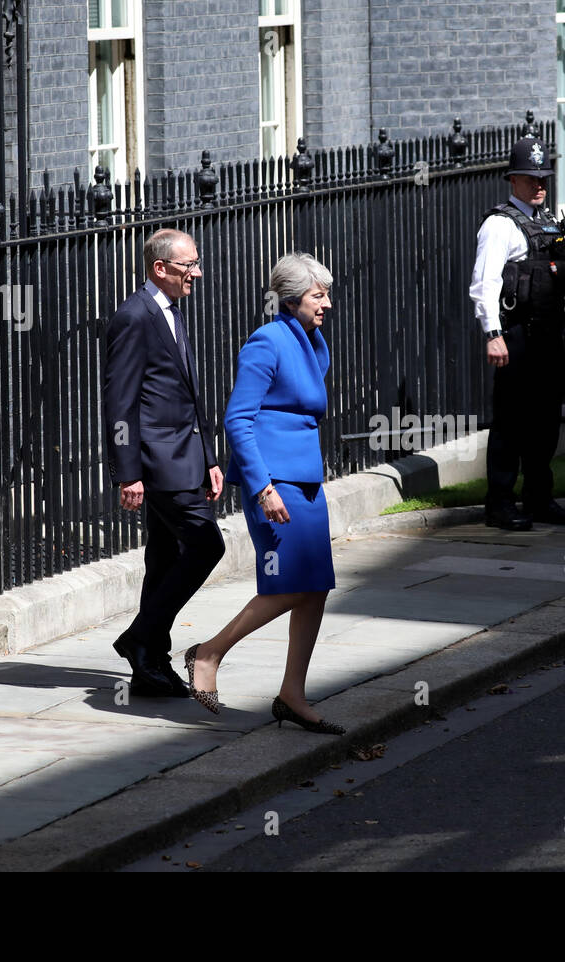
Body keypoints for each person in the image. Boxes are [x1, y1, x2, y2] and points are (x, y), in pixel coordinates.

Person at [184, 252, 344, 735]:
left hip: (307, 483)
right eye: (320, 296)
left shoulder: (312, 341)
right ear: (292, 299)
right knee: (290, 584)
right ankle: (208, 652)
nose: (328, 304)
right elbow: (238, 419)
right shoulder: (267, 341)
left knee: (315, 586)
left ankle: (292, 693)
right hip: (275, 485)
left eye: (327, 294)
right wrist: (262, 487)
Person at [103, 228, 226, 698]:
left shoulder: (170, 312)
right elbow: (120, 402)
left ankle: (150, 664)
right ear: (160, 268)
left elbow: (186, 396)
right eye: (187, 266)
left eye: (195, 263)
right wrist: (128, 471)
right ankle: (138, 638)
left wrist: (210, 458)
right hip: (159, 462)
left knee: (165, 556)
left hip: (186, 456)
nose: (196, 273)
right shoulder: (134, 317)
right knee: (205, 545)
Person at [469, 135, 565, 531]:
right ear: (512, 179)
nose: (539, 185)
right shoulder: (500, 226)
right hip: (515, 336)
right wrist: (493, 334)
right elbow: (484, 285)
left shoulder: (551, 224)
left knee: (545, 421)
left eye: (543, 178)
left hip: (550, 336)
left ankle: (538, 497)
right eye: (530, 178)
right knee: (511, 421)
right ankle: (499, 503)